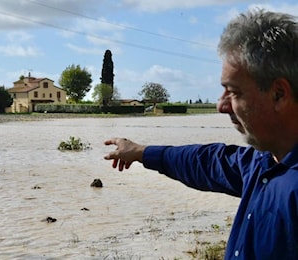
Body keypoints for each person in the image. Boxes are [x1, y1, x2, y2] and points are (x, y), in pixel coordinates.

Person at [104, 9, 298, 259]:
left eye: (234, 92)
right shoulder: (264, 163)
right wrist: (141, 152)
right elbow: (205, 161)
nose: (221, 105)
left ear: (279, 94)